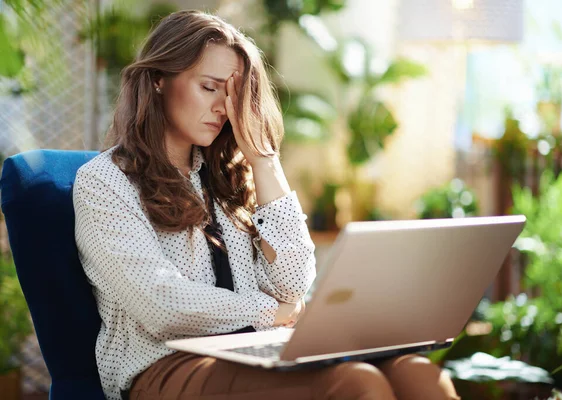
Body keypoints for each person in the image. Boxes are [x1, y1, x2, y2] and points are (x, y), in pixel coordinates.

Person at [73, 10, 460, 400]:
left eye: (233, 95)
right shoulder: (106, 182)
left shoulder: (229, 177)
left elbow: (293, 287)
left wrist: (263, 158)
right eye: (209, 88)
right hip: (163, 365)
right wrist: (268, 312)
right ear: (159, 80)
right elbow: (162, 305)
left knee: (420, 375)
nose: (223, 107)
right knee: (355, 383)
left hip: (251, 351)